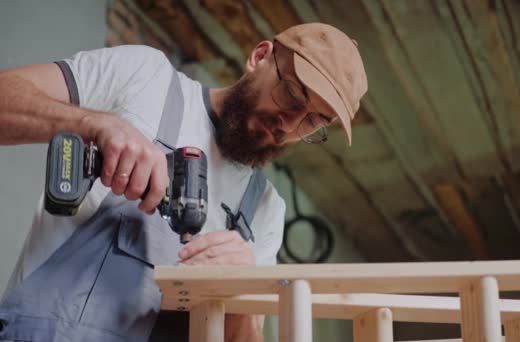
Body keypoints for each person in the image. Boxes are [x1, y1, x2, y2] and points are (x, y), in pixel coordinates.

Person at [0, 23, 367, 341]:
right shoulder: (146, 78)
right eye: (291, 94)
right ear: (259, 57)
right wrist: (97, 125)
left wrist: (240, 294)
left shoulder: (267, 210)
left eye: (313, 121)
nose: (289, 124)